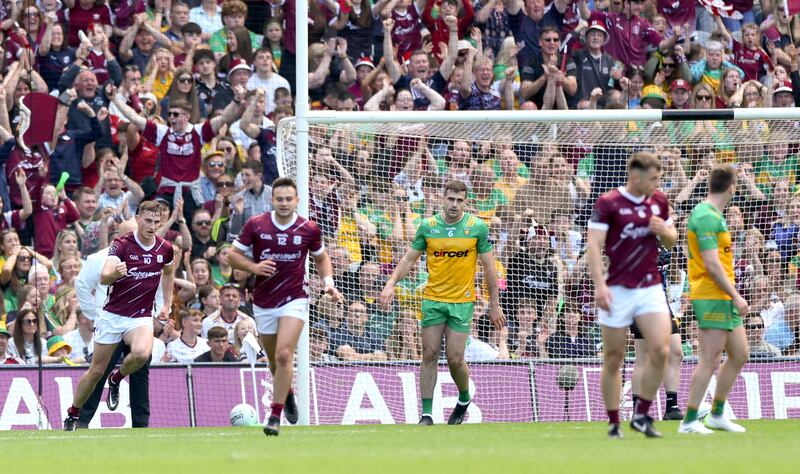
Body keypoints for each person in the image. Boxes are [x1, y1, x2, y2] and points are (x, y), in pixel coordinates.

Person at [380, 180, 505, 426]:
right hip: (433, 298)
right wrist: (391, 282)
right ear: (443, 199)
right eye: (451, 199)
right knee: (429, 353)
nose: (455, 205)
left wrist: (494, 304)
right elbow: (409, 259)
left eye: (460, 200)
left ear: (466, 202)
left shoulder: (476, 227)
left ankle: (464, 397)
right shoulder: (428, 227)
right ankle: (427, 414)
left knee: (455, 358)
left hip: (462, 301)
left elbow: (490, 267)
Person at [228, 177, 342, 436]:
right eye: (279, 199)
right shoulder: (256, 225)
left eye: (288, 199)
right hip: (264, 300)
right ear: (272, 200)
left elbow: (322, 257)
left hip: (295, 298)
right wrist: (254, 267)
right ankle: (287, 393)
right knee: (273, 360)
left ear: (297, 200)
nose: (284, 203)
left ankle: (275, 414)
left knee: (283, 354)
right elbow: (233, 256)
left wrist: (328, 283)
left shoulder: (308, 228)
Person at [586, 151, 675, 439]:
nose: (657, 184)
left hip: (649, 288)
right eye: (653, 179)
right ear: (635, 177)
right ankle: (614, 422)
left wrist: (663, 231)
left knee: (661, 349)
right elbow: (593, 246)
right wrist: (600, 285)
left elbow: (673, 240)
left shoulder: (659, 201)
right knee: (614, 357)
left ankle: (641, 414)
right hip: (617, 289)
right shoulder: (608, 203)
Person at [64, 201, 175, 431]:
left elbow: (169, 272)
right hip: (112, 316)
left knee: (143, 355)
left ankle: (118, 382)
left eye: (156, 221)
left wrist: (167, 305)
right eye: (148, 220)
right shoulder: (120, 246)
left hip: (140, 318)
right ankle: (74, 414)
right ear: (137, 219)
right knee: (96, 371)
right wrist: (113, 275)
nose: (152, 225)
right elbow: (101, 278)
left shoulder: (165, 248)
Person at [679, 164, 749, 434]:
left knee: (740, 353)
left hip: (723, 294)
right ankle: (689, 421)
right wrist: (736, 295)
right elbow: (710, 263)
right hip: (711, 293)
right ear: (731, 187)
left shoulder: (715, 215)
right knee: (710, 359)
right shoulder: (706, 216)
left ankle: (718, 413)